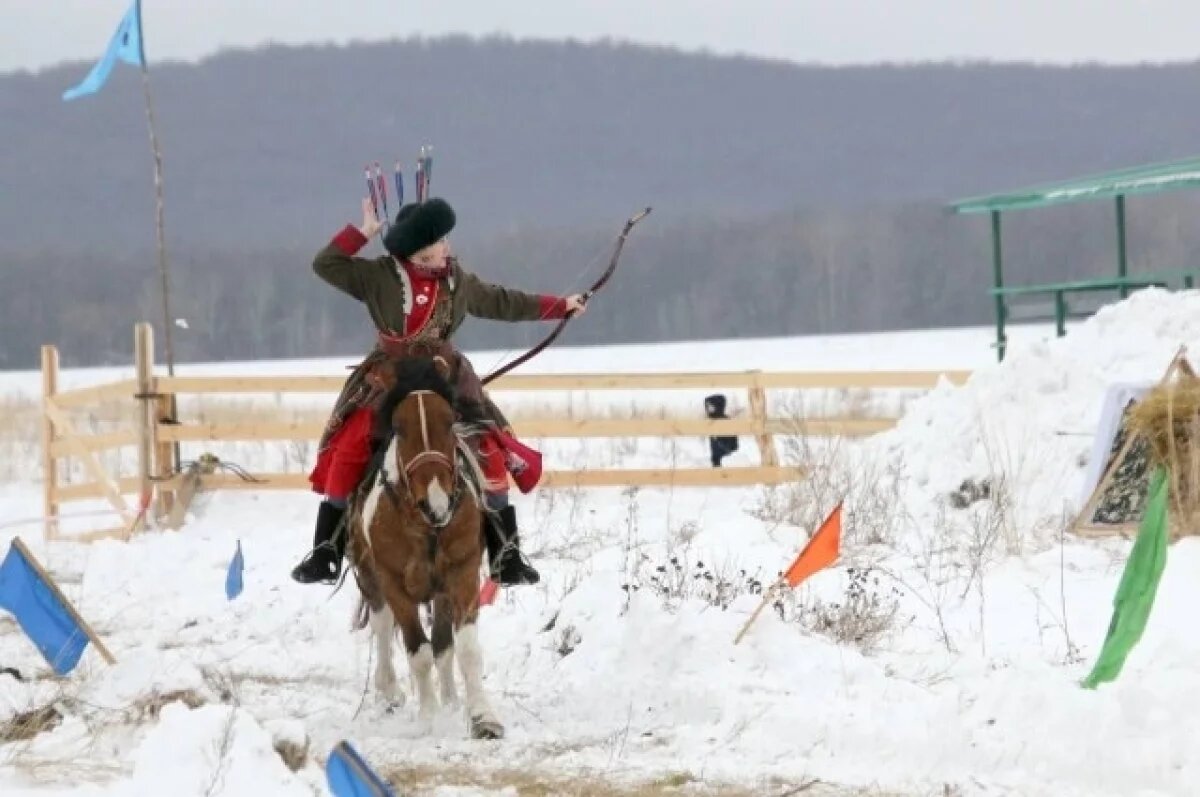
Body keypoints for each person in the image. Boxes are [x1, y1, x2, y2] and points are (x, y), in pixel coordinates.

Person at [290, 195, 586, 587]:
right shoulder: (378, 276)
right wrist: (362, 233)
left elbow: (501, 301)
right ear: (412, 252)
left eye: (443, 242)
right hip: (390, 375)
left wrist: (560, 306)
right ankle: (327, 549)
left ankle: (505, 553)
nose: (442, 252)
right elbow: (324, 264)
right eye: (431, 249)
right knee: (351, 443)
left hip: (445, 375)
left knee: (487, 445)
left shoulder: (457, 280)